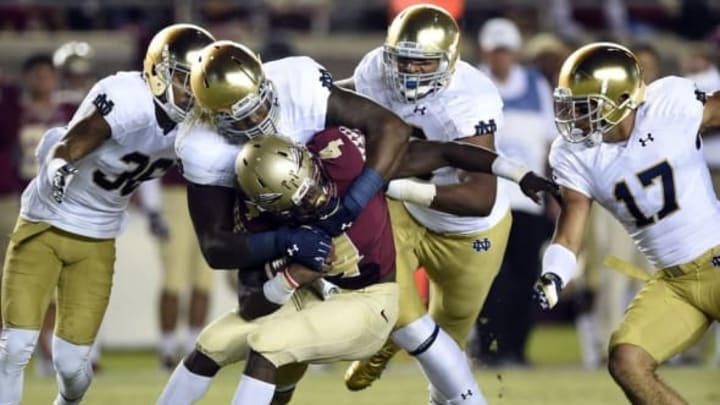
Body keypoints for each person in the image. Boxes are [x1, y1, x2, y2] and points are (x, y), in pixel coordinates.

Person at [158, 123, 555, 405]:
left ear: (310, 159)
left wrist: (516, 173)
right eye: (295, 199)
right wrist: (293, 276)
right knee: (211, 343)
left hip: (369, 301)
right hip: (309, 295)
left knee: (267, 346)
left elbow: (444, 151)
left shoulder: (346, 159)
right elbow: (250, 303)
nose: (313, 196)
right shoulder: (258, 221)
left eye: (309, 180)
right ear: (268, 208)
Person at [0, 23, 215, 405]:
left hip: (98, 236)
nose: (192, 93)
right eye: (185, 80)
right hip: (47, 219)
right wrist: (58, 165)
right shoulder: (127, 93)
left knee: (72, 368)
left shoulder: (201, 123)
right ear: (160, 74)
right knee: (14, 347)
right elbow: (80, 136)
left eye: (199, 82)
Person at [338, 5, 512, 403]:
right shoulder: (375, 71)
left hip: (470, 232)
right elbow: (337, 101)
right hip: (406, 216)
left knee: (448, 345)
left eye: (424, 63)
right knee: (385, 295)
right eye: (404, 60)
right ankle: (392, 333)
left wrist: (395, 187)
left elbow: (479, 198)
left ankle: (392, 346)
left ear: (449, 61)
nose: (410, 72)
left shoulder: (470, 98)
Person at [533, 42, 720, 404]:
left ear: (622, 100)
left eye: (586, 107)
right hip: (674, 281)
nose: (576, 118)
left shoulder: (669, 103)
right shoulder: (571, 153)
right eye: (571, 105)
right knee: (627, 359)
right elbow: (571, 225)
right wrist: (554, 273)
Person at [472, 17, 556, 367]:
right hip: (486, 201)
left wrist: (554, 196)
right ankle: (489, 349)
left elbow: (552, 144)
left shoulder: (537, 85)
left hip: (530, 202)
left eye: (506, 52)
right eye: (495, 52)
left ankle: (517, 350)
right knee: (488, 278)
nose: (500, 58)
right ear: (486, 52)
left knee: (524, 278)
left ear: (515, 53)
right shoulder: (473, 83)